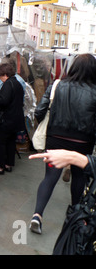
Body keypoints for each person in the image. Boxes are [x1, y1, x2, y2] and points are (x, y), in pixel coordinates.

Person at [29, 53, 96, 235]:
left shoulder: (57, 84)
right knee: (79, 178)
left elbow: (40, 109)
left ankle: (37, 215)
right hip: (83, 142)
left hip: (56, 138)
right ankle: (75, 218)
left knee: (50, 177)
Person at [0, 63, 25, 175]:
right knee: (11, 141)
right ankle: (8, 164)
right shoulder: (17, 83)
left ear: (5, 75)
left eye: (0, 76)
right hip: (16, 119)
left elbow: (3, 101)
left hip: (7, 119)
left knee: (0, 141)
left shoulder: (8, 84)